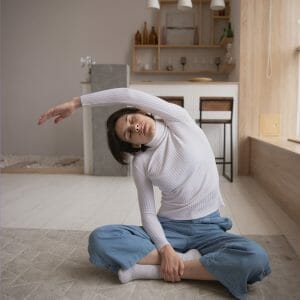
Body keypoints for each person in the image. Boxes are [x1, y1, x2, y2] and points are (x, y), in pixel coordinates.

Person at [38, 88, 271, 300]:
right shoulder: (142, 162)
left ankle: (153, 270)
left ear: (142, 112)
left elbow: (128, 95)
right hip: (169, 230)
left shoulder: (178, 121)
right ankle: (193, 264)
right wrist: (165, 248)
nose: (135, 127)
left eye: (131, 120)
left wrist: (76, 102)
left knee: (256, 259)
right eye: (129, 133)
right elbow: (148, 213)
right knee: (101, 239)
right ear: (134, 145)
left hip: (209, 228)